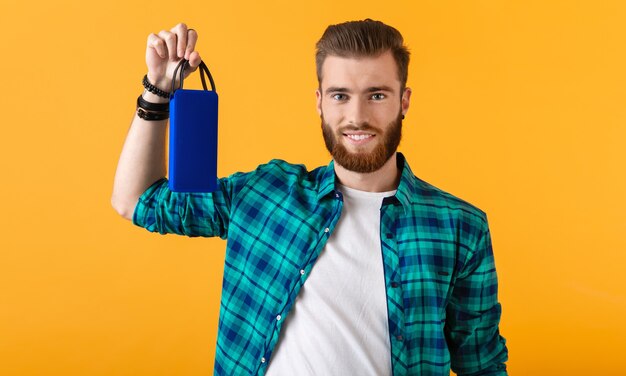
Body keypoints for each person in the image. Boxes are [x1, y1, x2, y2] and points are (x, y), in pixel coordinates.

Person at [112, 19, 508, 376]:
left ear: (404, 101)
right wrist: (157, 91)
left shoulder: (459, 227)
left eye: (377, 95)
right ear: (319, 102)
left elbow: (482, 364)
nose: (357, 116)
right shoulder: (265, 196)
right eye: (340, 95)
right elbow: (134, 200)